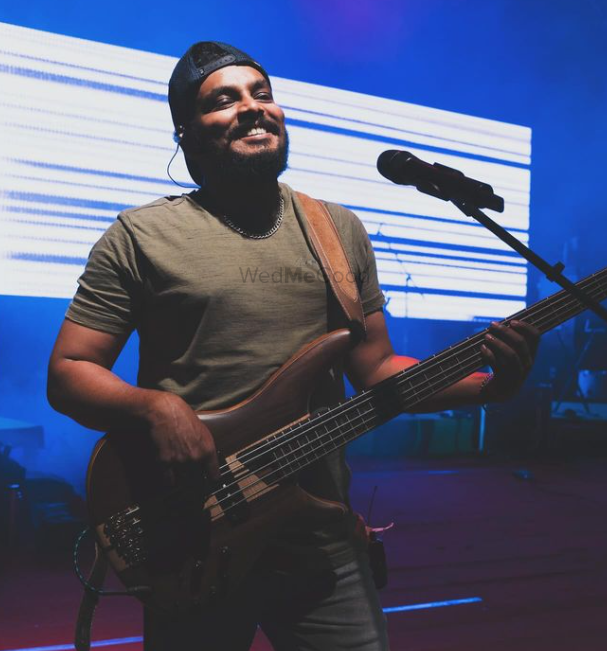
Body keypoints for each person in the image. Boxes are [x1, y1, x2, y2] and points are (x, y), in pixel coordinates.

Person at [47, 41, 540, 651]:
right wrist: (158, 408)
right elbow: (70, 370)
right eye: (223, 100)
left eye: (262, 93)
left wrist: (491, 388)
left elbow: (378, 369)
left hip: (318, 526)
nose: (253, 108)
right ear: (185, 133)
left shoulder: (337, 229)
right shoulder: (140, 235)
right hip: (197, 526)